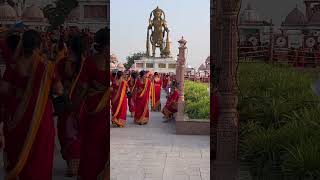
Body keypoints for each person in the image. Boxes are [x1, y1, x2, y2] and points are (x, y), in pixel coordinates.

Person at [0, 30, 63, 180]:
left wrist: (20, 90)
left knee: (18, 149)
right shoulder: (47, 66)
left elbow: (4, 89)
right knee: (39, 153)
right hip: (40, 116)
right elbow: (59, 90)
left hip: (17, 116)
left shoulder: (14, 65)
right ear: (39, 45)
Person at [77, 28, 109, 180]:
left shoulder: (90, 61)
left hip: (93, 108)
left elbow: (82, 87)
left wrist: (74, 106)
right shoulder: (113, 64)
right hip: (105, 108)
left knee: (92, 145)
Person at [56, 34, 85, 177]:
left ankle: (71, 166)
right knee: (77, 134)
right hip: (80, 104)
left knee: (66, 133)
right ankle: (77, 165)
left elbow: (56, 84)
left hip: (67, 104)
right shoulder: (86, 63)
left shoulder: (62, 62)